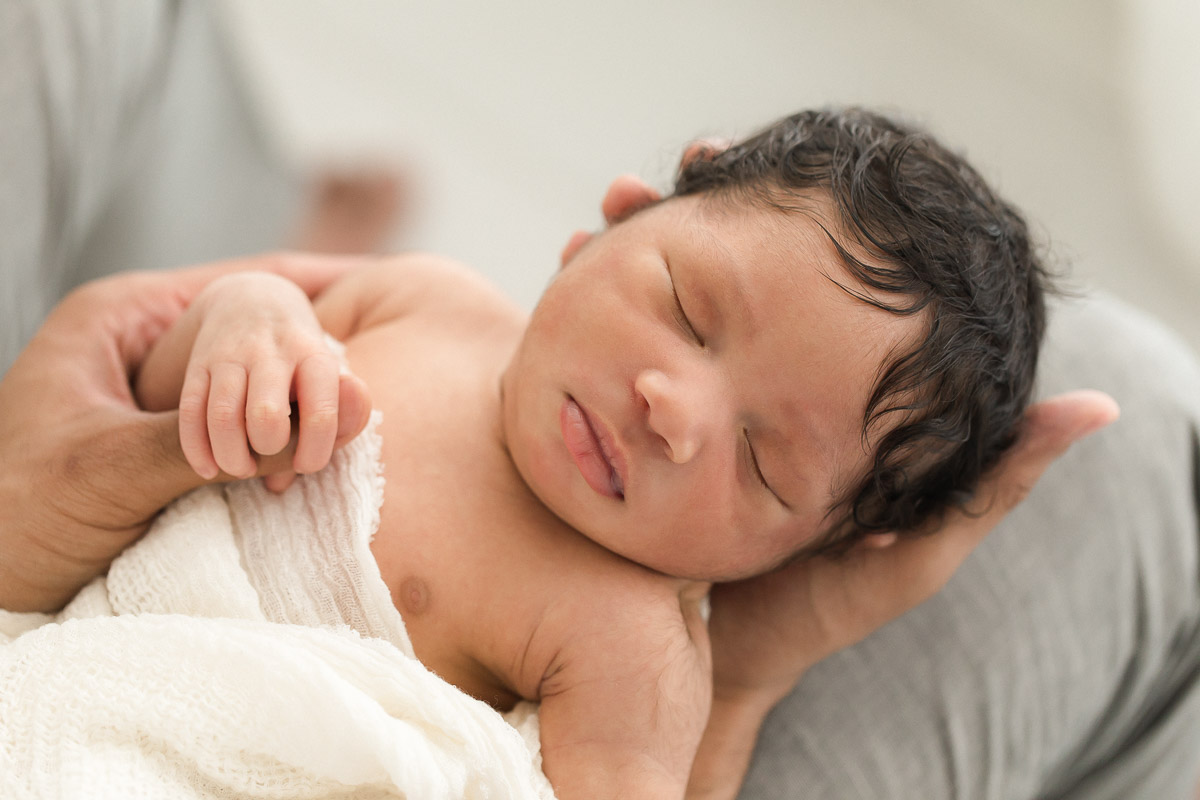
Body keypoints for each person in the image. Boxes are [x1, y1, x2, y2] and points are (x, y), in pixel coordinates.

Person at [114, 108, 1109, 798]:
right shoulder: (424, 299)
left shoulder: (628, 648)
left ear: (808, 549)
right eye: (688, 308)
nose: (672, 409)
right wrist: (245, 316)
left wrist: (743, 682)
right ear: (615, 223)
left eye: (761, 461)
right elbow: (135, 404)